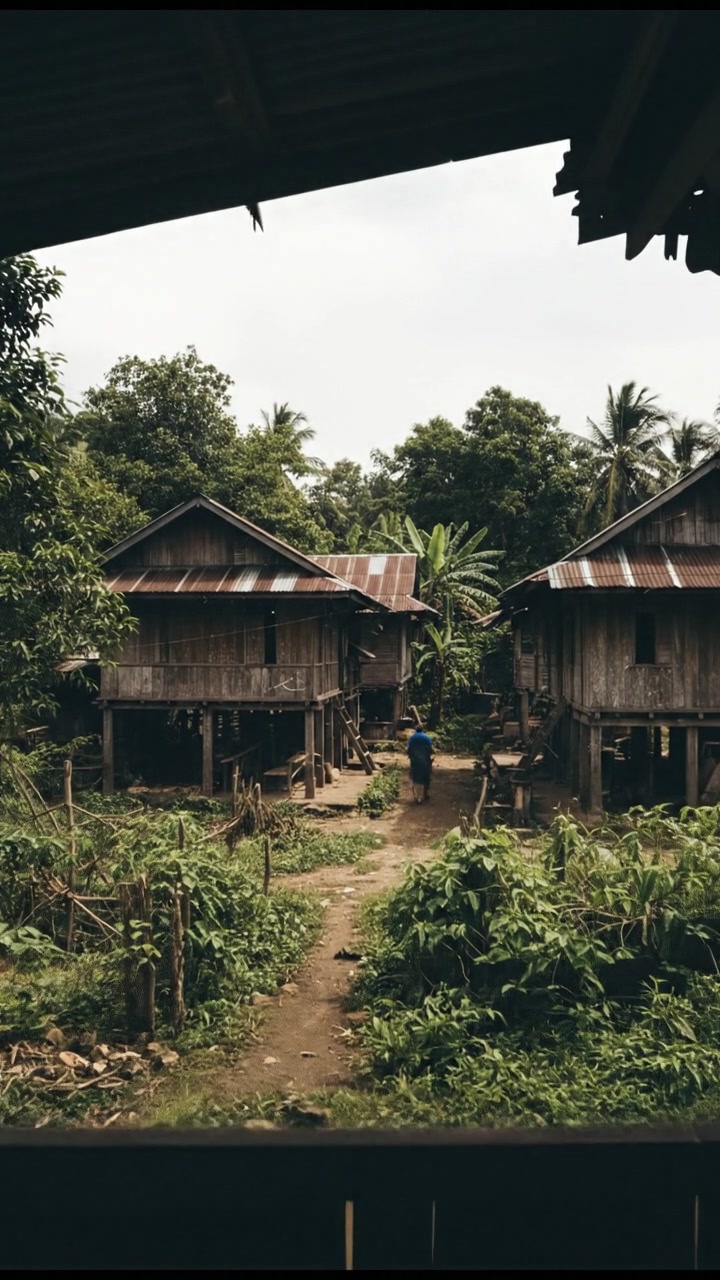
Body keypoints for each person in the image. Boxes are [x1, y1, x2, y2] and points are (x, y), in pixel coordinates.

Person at [407, 725, 433, 803]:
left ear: (415, 730)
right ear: (423, 730)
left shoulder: (412, 738)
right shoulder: (427, 738)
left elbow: (408, 750)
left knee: (415, 778)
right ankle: (424, 794)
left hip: (415, 761)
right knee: (426, 777)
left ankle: (417, 796)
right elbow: (431, 749)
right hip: (425, 761)